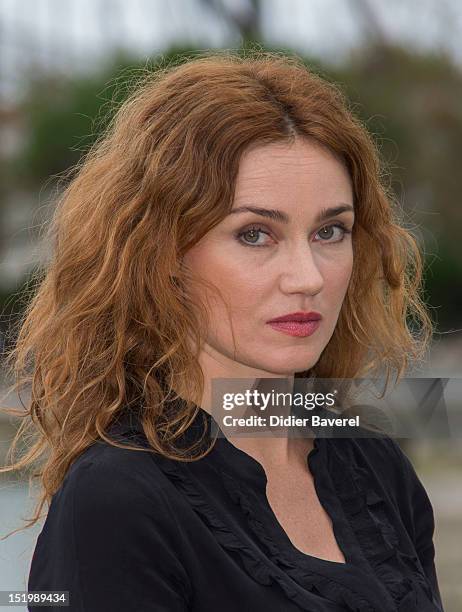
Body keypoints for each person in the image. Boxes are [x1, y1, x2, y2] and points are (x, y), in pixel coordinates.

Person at [1, 50, 443, 611]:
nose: (308, 277)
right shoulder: (115, 501)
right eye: (255, 234)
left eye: (331, 231)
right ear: (160, 255)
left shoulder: (379, 472)